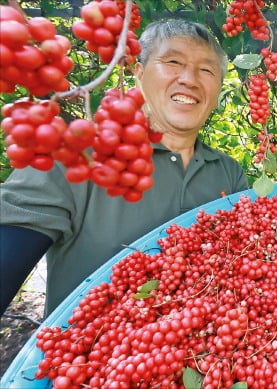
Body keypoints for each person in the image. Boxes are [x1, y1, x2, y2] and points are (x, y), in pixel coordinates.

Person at [0, 19, 248, 316]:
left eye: (207, 70)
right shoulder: (73, 154)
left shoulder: (229, 173)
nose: (190, 78)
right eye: (173, 61)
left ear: (218, 89)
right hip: (86, 359)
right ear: (139, 73)